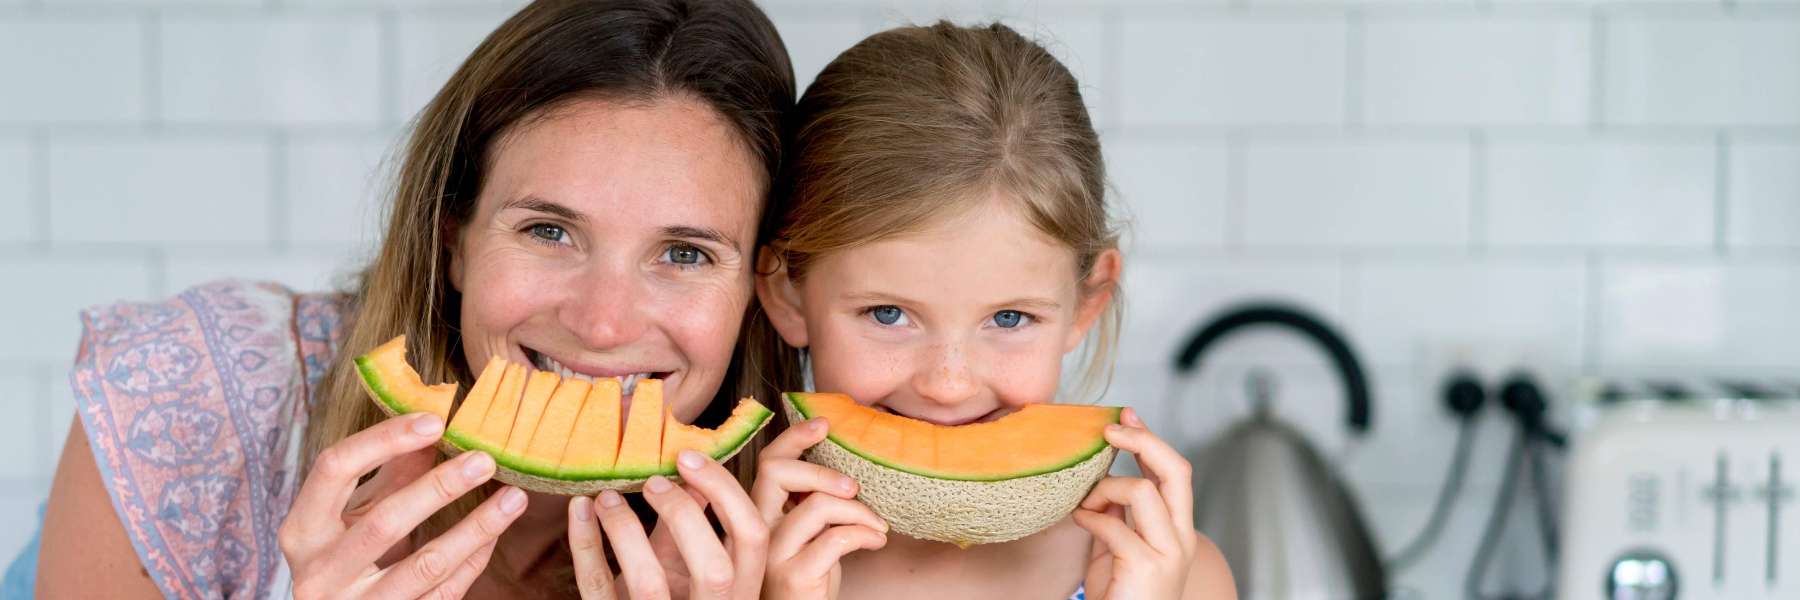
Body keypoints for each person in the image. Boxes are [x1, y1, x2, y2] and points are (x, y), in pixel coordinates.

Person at [29, 1, 802, 598]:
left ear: (764, 288)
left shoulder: (811, 535)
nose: (601, 322)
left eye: (684, 254)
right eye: (547, 231)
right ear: (454, 238)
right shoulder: (192, 394)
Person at [749, 22, 1237, 600]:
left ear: (1086, 304)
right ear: (787, 294)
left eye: (1009, 319)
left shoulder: (1179, 579)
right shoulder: (710, 570)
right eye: (887, 314)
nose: (949, 386)